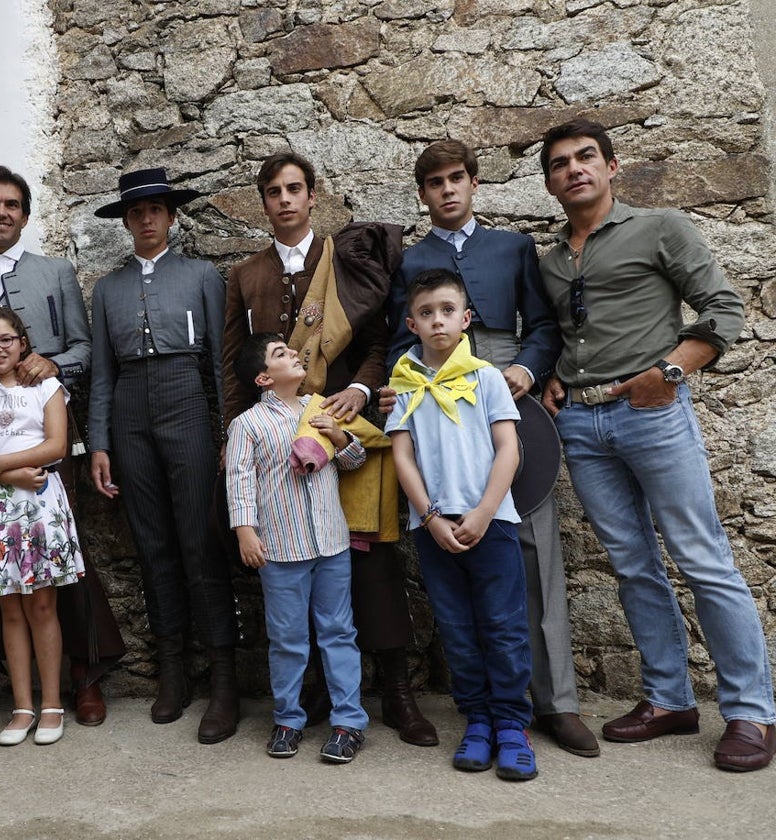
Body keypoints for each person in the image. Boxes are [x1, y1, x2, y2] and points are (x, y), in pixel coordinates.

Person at [537, 118, 775, 772]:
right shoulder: (551, 261)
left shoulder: (660, 228)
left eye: (587, 157)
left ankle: (752, 712)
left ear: (612, 167)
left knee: (702, 557)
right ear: (551, 184)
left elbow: (723, 311)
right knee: (633, 565)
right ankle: (669, 699)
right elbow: (569, 332)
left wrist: (667, 374)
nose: (574, 169)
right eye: (560, 163)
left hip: (654, 414)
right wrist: (556, 373)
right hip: (582, 427)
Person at [383, 139, 597, 757]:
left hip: (503, 382)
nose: (448, 190)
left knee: (532, 542)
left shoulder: (511, 246)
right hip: (434, 388)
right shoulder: (413, 260)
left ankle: (554, 703)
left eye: (457, 179)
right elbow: (403, 333)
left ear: (474, 183)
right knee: (464, 574)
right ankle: (486, 714)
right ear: (423, 194)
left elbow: (545, 324)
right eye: (435, 183)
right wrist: (403, 384)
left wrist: (528, 371)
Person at [222, 151, 437, 747]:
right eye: (274, 191)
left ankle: (393, 690)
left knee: (372, 565)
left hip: (343, 424)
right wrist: (233, 438)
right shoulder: (246, 275)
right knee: (294, 599)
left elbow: (376, 340)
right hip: (274, 439)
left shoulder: (343, 257)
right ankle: (302, 702)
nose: (285, 200)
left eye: (295, 189)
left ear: (313, 196)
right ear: (263, 202)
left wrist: (361, 392)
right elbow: (235, 366)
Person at [0, 165, 124, 729]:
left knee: (58, 567)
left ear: (25, 214)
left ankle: (81, 675)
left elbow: (84, 349)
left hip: (42, 445)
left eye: (12, 204)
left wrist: (53, 362)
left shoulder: (56, 273)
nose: (1, 212)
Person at [89, 167, 239, 744]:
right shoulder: (108, 289)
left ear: (171, 216)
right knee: (152, 544)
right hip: (129, 412)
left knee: (201, 538)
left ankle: (224, 676)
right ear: (127, 222)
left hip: (185, 405)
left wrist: (228, 434)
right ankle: (171, 671)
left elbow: (222, 367)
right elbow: (102, 372)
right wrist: (99, 443)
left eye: (156, 209)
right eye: (137, 211)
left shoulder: (201, 275)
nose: (147, 219)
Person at [387, 268, 536, 781]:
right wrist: (429, 517)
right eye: (426, 313)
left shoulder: (487, 377)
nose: (437, 321)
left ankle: (513, 724)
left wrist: (483, 511)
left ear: (466, 318)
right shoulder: (404, 381)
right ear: (412, 323)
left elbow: (508, 448)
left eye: (447, 311)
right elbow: (403, 458)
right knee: (456, 628)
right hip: (433, 527)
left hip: (489, 523)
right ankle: (477, 720)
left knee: (503, 626)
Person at [226, 332, 369, 764]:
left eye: (290, 350)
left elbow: (355, 462)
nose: (293, 354)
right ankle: (288, 718)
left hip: (330, 541)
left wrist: (340, 438)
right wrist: (244, 531)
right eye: (280, 354)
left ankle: (348, 722)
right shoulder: (247, 424)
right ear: (264, 378)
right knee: (288, 639)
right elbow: (239, 480)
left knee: (339, 632)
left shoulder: (320, 409)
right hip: (281, 548)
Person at [0, 306, 85, 745]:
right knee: (9, 608)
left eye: (5, 340)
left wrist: (0, 464)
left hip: (38, 502)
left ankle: (52, 704)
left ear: (23, 342)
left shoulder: (47, 386)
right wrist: (5, 474)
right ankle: (22, 705)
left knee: (43, 605)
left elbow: (56, 444)